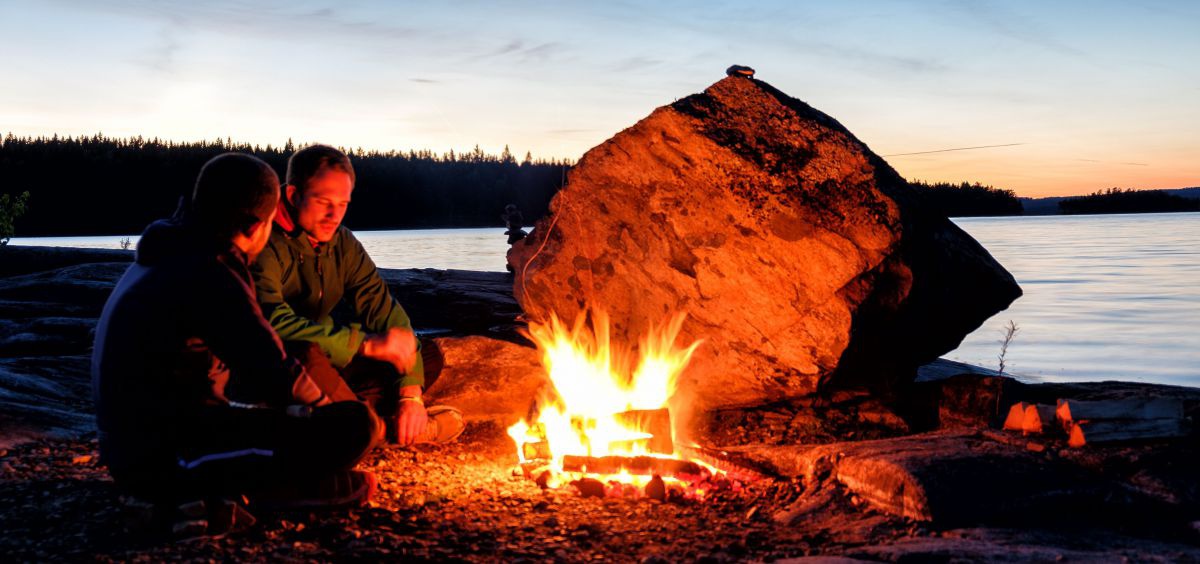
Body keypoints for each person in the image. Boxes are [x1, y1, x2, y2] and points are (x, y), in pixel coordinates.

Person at [92, 153, 381, 535]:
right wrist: (326, 416)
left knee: (317, 424)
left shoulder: (174, 251)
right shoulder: (208, 269)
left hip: (144, 442)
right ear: (257, 224)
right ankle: (273, 494)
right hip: (161, 458)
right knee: (355, 427)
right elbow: (270, 367)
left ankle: (270, 483)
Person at [251, 144, 462, 447]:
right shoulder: (262, 237)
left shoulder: (343, 244)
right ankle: (372, 430)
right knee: (306, 358)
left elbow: (386, 312)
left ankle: (345, 419)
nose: (333, 215)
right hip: (272, 365)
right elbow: (270, 322)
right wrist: (362, 344)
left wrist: (411, 394)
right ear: (294, 195)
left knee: (421, 354)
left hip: (327, 362)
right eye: (323, 201)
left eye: (343, 203)